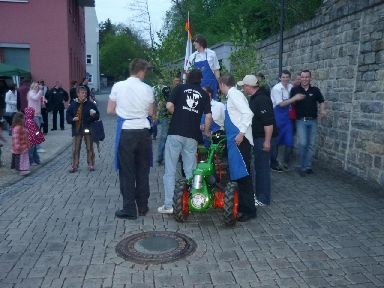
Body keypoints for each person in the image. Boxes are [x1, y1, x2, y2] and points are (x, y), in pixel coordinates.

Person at [158, 69, 212, 214]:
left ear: (187, 78)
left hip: (175, 132)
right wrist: (206, 132)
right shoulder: (204, 94)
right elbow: (208, 117)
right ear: (200, 80)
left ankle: (169, 205)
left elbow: (169, 106)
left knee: (170, 170)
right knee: (190, 170)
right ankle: (191, 201)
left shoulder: (179, 88)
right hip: (193, 135)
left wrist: (179, 114)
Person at [107, 58, 155, 220]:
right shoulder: (148, 89)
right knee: (143, 170)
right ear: (141, 71)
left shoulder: (118, 86)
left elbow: (110, 110)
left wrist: (125, 112)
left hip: (126, 132)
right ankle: (142, 206)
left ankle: (129, 208)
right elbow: (151, 113)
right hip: (143, 133)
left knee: (127, 172)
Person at [219, 74, 256, 222]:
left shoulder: (234, 95)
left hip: (239, 141)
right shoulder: (232, 96)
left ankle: (248, 210)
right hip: (235, 141)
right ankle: (241, 206)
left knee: (243, 175)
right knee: (239, 174)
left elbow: (248, 113)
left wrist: (241, 133)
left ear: (222, 84)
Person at [240, 74, 277, 207]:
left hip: (263, 138)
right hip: (258, 138)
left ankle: (263, 198)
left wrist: (267, 141)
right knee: (258, 167)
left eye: (244, 86)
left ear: (249, 87)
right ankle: (260, 195)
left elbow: (268, 122)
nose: (243, 89)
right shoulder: (255, 98)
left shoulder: (261, 99)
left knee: (262, 169)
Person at [290, 70, 326, 176]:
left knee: (311, 145)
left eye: (307, 77)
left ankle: (308, 166)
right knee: (303, 143)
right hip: (301, 121)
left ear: (310, 78)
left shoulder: (315, 90)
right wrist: (295, 99)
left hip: (313, 121)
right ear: (300, 78)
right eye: (303, 77)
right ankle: (302, 166)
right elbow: (290, 103)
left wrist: (323, 110)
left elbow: (321, 101)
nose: (305, 79)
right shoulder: (295, 90)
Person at [66, 85, 99, 172]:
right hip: (77, 129)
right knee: (75, 149)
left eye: (85, 93)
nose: (84, 94)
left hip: (88, 129)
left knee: (89, 147)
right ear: (78, 94)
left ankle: (91, 163)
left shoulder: (90, 104)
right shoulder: (73, 104)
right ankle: (74, 165)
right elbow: (68, 116)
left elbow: (97, 115)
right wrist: (72, 119)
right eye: (82, 93)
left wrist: (93, 115)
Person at [270, 70, 294, 171]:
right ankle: (273, 162)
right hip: (278, 115)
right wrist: (295, 98)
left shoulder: (291, 87)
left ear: (289, 78)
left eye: (287, 77)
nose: (285, 79)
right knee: (276, 140)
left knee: (289, 140)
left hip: (287, 117)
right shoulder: (276, 88)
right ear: (280, 78)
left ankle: (285, 162)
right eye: (283, 77)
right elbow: (281, 104)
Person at [187, 34, 220, 99]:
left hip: (211, 84)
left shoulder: (211, 54)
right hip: (198, 85)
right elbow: (189, 72)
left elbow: (216, 70)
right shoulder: (192, 57)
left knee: (213, 105)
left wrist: (219, 84)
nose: (193, 43)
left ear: (201, 42)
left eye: (195, 42)